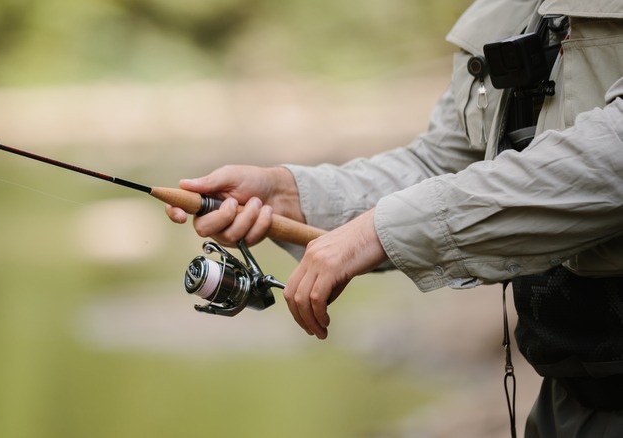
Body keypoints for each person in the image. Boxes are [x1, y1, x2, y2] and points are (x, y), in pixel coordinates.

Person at [167, 0, 623, 436]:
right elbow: (445, 165)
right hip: (566, 396)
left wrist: (379, 232)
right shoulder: (512, 6)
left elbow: (611, 157)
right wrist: (289, 193)